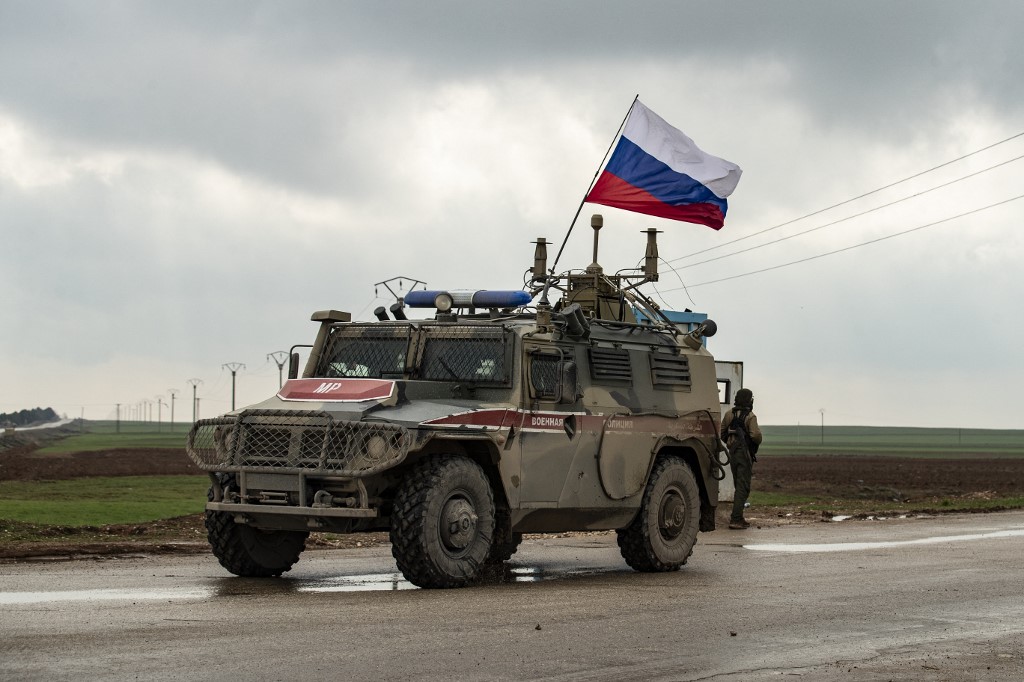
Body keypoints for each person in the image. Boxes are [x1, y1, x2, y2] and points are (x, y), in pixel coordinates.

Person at [721, 388, 763, 529]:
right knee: (743, 487)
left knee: (738, 485)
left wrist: (731, 442)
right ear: (748, 400)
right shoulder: (750, 417)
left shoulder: (728, 414)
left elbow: (722, 433)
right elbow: (756, 436)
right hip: (744, 454)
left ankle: (738, 517)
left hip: (733, 453)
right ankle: (736, 519)